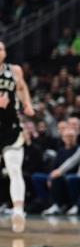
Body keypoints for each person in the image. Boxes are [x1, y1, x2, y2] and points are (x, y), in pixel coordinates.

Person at [0, 41, 35, 233]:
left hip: (11, 127)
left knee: (14, 169)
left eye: (2, 48)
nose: (0, 51)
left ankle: (18, 211)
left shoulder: (14, 70)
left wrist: (27, 104)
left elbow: (21, 88)